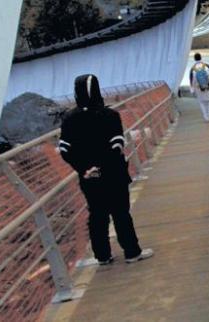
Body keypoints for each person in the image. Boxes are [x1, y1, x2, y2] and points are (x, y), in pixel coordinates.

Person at [58, 74, 153, 265]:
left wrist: (85, 168)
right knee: (120, 213)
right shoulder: (110, 115)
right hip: (113, 174)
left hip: (88, 177)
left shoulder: (69, 118)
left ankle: (102, 256)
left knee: (97, 215)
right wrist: (102, 166)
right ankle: (131, 251)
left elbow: (65, 150)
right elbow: (116, 146)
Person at [189, 52, 209, 122]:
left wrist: (192, 90)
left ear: (194, 59)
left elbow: (191, 81)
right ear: (201, 57)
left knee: (203, 103)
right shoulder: (207, 66)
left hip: (200, 89)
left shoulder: (192, 69)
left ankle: (207, 117)